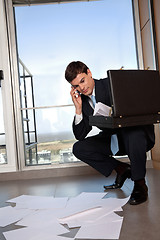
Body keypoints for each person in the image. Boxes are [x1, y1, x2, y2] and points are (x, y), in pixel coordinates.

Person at [65, 61, 155, 205]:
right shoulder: (83, 101)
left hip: (134, 135)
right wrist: (78, 109)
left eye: (82, 81)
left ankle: (140, 184)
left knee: (134, 132)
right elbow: (80, 135)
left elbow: (137, 104)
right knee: (79, 148)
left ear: (89, 73)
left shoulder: (111, 84)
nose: (81, 88)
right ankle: (121, 169)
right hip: (113, 139)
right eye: (76, 86)